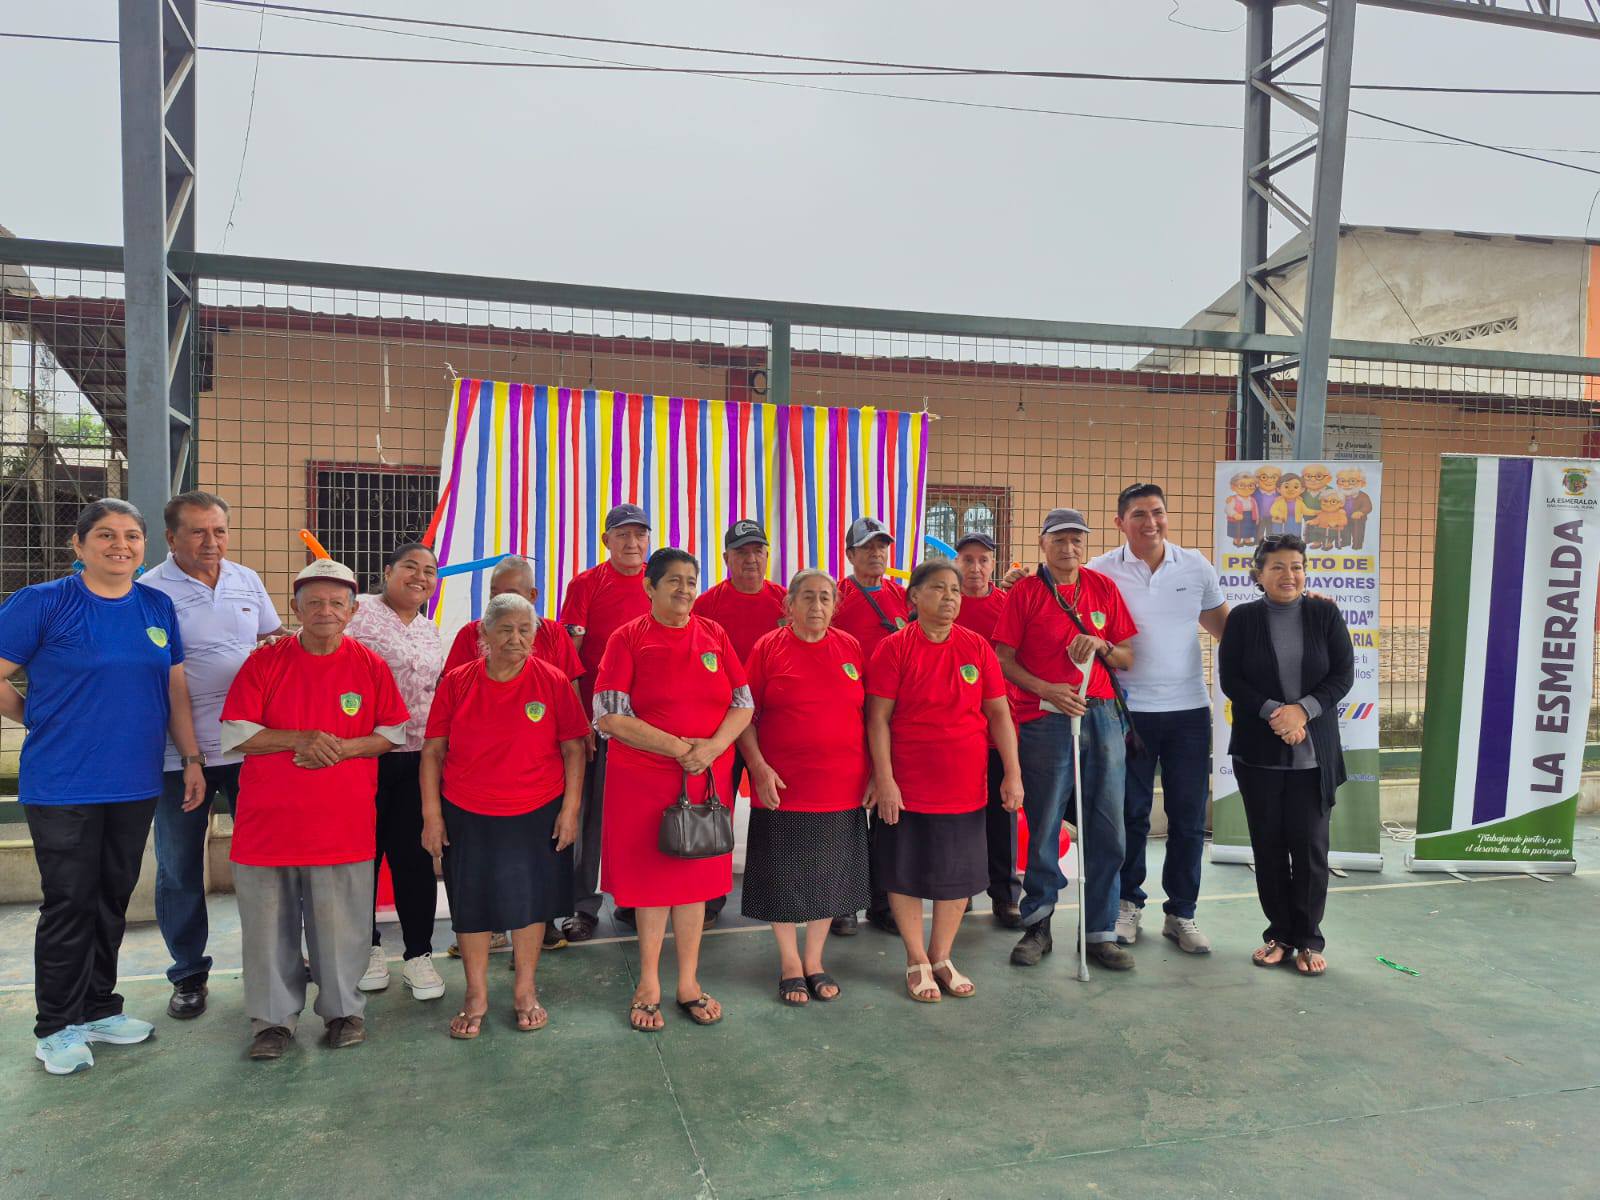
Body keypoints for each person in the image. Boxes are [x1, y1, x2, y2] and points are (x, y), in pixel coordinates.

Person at [0, 499, 205, 1075]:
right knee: (70, 903)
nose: (121, 545)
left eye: (132, 536)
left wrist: (191, 757)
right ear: (79, 544)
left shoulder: (156, 605)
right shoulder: (43, 602)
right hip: (63, 784)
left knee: (112, 898)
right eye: (107, 535)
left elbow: (175, 691)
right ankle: (56, 1027)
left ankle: (97, 1008)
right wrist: (35, 716)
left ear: (145, 545)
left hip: (134, 781)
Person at [220, 559, 409, 1060]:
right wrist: (299, 738)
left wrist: (342, 749)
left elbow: (392, 733)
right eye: (315, 602)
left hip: (342, 826)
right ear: (295, 608)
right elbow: (235, 734)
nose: (326, 611)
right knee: (267, 931)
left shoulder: (370, 665)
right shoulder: (265, 662)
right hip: (268, 828)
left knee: (341, 927)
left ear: (352, 611)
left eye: (337, 603)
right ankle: (272, 1023)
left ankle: (344, 1012)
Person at [593, 548, 753, 1031]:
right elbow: (609, 715)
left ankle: (687, 982)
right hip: (644, 782)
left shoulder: (714, 634)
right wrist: (680, 748)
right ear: (650, 586)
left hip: (704, 780)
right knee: (651, 883)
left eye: (691, 580)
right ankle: (648, 984)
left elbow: (743, 703)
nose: (685, 590)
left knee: (694, 884)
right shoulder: (627, 638)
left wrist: (713, 747)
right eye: (674, 581)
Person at [141, 490, 285, 1021]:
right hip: (179, 757)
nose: (211, 542)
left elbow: (272, 640)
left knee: (267, 862)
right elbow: (158, 676)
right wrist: (190, 756)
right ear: (171, 537)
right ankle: (188, 974)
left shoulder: (246, 580)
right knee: (179, 868)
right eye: (198, 531)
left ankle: (275, 960)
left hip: (251, 749)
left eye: (219, 530)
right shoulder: (149, 591)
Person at [421, 593, 589, 1039]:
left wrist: (570, 810)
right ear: (484, 635)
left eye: (525, 630)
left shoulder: (552, 680)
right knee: (472, 905)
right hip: (467, 811)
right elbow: (433, 750)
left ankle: (525, 990)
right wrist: (432, 815)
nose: (516, 639)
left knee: (530, 904)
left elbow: (574, 748)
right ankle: (475, 994)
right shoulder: (458, 682)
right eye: (506, 629)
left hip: (536, 811)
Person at [866, 559, 1022, 1002]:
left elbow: (998, 713)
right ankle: (916, 958)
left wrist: (1012, 773)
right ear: (914, 596)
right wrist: (885, 779)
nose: (950, 597)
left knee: (957, 876)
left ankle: (941, 956)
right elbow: (877, 719)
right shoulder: (893, 649)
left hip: (965, 784)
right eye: (938, 588)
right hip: (908, 784)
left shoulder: (976, 647)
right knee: (905, 872)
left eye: (954, 590)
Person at [996, 508, 1139, 972]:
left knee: (1109, 827)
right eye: (1059, 539)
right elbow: (1003, 659)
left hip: (1102, 718)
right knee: (1044, 826)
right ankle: (1038, 925)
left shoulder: (1103, 589)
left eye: (1076, 539)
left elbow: (1127, 656)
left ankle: (1100, 931)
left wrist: (1101, 645)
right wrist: (1046, 689)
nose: (1069, 548)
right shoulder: (1025, 593)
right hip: (1046, 718)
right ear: (1043, 544)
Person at [1091, 484, 1227, 955]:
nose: (1150, 523)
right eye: (1138, 514)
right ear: (1120, 523)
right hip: (1127, 712)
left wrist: (1299, 612)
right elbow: (1061, 601)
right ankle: (1128, 903)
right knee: (1130, 815)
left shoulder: (1196, 566)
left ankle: (1181, 913)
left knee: (1188, 817)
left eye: (1157, 512)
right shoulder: (1100, 571)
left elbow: (1228, 629)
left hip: (1189, 711)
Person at [1218, 534, 1353, 977]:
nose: (1288, 575)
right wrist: (1277, 713)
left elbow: (1342, 676)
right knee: (1269, 848)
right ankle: (1279, 935)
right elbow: (1232, 680)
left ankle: (1309, 939)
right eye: (1277, 567)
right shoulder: (1242, 620)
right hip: (1258, 754)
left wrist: (1303, 711)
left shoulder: (1324, 614)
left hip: (1315, 756)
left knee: (1311, 848)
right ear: (1258, 574)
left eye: (1296, 566)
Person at [737, 569, 871, 1006]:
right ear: (789, 605)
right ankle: (790, 963)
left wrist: (873, 772)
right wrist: (758, 767)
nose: (817, 606)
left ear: (835, 606)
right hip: (784, 784)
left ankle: (814, 960)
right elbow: (744, 715)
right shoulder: (768, 648)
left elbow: (867, 715)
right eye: (808, 597)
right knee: (783, 876)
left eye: (825, 598)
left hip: (842, 784)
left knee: (829, 876)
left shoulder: (850, 647)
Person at [439, 553, 583, 956]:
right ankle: (489, 927)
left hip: (540, 771)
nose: (501, 602)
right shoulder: (471, 635)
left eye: (512, 593)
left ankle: (542, 924)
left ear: (533, 596)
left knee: (537, 858)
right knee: (485, 861)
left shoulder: (552, 634)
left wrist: (580, 735)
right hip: (479, 775)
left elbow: (570, 685)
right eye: (494, 593)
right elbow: (451, 690)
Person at [345, 543, 447, 1001]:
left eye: (429, 571)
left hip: (419, 757)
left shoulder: (430, 630)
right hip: (365, 753)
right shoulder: (358, 613)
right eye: (410, 566)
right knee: (361, 856)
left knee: (414, 859)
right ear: (387, 571)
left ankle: (418, 954)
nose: (420, 577)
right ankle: (366, 948)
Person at [558, 503, 652, 942]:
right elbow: (571, 661)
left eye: (639, 534)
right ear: (606, 540)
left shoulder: (659, 581)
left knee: (641, 814)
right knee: (590, 817)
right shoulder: (586, 584)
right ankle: (582, 905)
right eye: (623, 535)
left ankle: (634, 898)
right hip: (600, 723)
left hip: (649, 727)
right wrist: (582, 724)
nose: (632, 543)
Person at [691, 518, 787, 924]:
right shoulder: (706, 605)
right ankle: (709, 896)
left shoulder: (785, 601)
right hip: (722, 727)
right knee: (716, 809)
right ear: (726, 558)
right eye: (742, 552)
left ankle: (780, 890)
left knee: (779, 808)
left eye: (758, 551)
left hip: (776, 725)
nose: (751, 559)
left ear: (767, 556)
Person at [830, 515, 910, 937]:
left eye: (882, 546)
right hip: (847, 716)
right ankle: (842, 903)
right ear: (850, 555)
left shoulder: (902, 596)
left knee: (886, 810)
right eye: (867, 547)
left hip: (893, 718)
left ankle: (882, 902)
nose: (876, 553)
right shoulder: (835, 597)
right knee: (846, 810)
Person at [951, 530, 1022, 927]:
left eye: (983, 560)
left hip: (999, 728)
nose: (975, 567)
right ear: (956, 563)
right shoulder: (946, 605)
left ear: (994, 564)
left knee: (1001, 814)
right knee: (959, 816)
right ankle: (960, 890)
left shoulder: (1009, 605)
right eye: (968, 559)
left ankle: (1005, 894)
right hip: (956, 733)